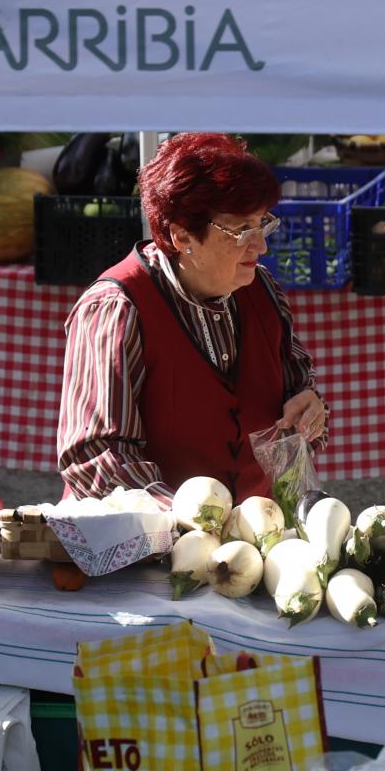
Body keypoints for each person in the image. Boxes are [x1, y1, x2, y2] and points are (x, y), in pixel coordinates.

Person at [57, 133, 327, 504]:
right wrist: (191, 518)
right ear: (182, 236)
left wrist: (309, 406)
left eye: (262, 223)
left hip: (246, 543)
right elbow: (97, 458)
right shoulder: (117, 308)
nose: (260, 245)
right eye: (240, 229)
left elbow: (298, 384)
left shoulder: (262, 290)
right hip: (142, 546)